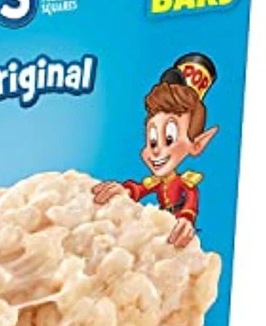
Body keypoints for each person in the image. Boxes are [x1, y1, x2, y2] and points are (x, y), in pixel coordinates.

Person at [93, 53, 218, 248]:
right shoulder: (158, 182)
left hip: (180, 234)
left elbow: (191, 200)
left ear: (198, 144)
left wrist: (186, 220)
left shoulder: (185, 182)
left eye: (169, 139)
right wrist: (125, 190)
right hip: (161, 230)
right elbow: (142, 189)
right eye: (152, 141)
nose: (157, 151)